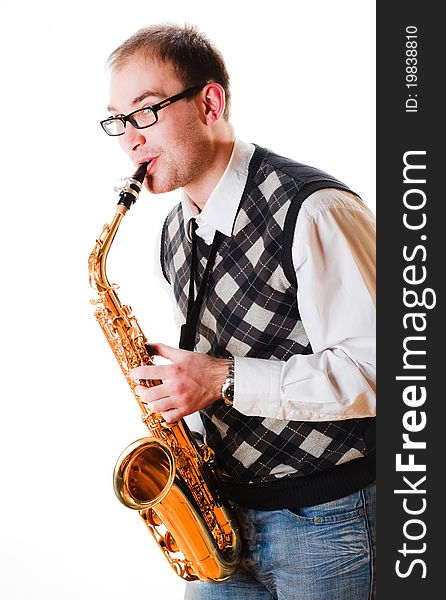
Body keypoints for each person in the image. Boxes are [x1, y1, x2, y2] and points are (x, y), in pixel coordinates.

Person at [101, 23, 376, 600]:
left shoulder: (314, 209)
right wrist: (180, 393)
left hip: (331, 522)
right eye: (118, 120)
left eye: (145, 111)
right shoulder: (175, 232)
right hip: (227, 521)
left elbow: (383, 373)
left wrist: (221, 379)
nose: (129, 138)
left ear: (210, 102)